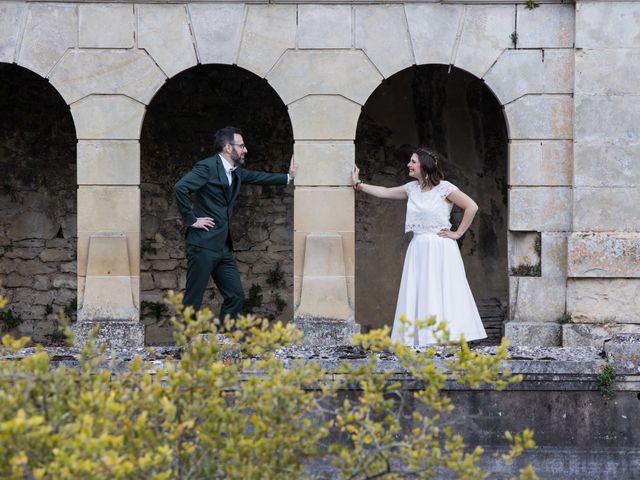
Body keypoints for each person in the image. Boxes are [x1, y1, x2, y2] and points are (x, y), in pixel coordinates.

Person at [352, 148, 486, 346]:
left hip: (440, 248)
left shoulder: (444, 188)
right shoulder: (411, 188)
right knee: (421, 290)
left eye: (413, 162)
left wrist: (457, 233)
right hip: (419, 247)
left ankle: (447, 337)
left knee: (443, 290)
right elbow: (385, 192)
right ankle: (422, 339)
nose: (409, 164)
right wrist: (359, 185)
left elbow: (471, 206)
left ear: (424, 165)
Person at [174, 126, 296, 320]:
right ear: (228, 148)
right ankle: (187, 344)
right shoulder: (207, 167)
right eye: (241, 146)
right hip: (203, 244)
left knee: (236, 295)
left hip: (223, 246)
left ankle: (225, 341)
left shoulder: (236, 172)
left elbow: (258, 177)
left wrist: (288, 177)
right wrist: (191, 220)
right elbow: (180, 188)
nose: (245, 150)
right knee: (193, 299)